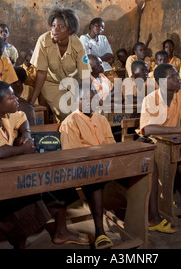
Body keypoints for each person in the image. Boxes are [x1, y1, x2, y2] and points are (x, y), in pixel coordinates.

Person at [0, 81, 88, 248]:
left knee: (57, 182)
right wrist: (25, 149)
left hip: (3, 168)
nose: (16, 99)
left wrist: (26, 133)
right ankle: (19, 243)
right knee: (24, 195)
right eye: (11, 97)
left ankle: (61, 232)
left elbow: (22, 118)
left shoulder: (5, 113)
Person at [137, 63, 181, 233]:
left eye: (177, 76)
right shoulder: (150, 99)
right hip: (152, 143)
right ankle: (157, 211)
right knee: (159, 168)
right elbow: (149, 129)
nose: (178, 80)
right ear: (160, 82)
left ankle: (167, 201)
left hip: (173, 143)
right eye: (172, 77)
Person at [59, 82, 115, 249]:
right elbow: (72, 155)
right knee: (95, 182)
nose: (89, 103)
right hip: (83, 168)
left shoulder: (102, 119)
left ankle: (145, 218)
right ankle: (100, 232)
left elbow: (111, 145)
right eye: (84, 99)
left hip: (105, 164)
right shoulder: (71, 122)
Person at [29, 8, 90, 122]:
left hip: (72, 83)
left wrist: (87, 98)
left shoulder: (78, 45)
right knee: (64, 110)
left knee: (79, 111)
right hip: (51, 83)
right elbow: (41, 73)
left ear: (70, 30)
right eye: (53, 25)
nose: (55, 30)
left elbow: (85, 75)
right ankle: (64, 134)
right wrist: (32, 102)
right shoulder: (43, 41)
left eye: (61, 27)